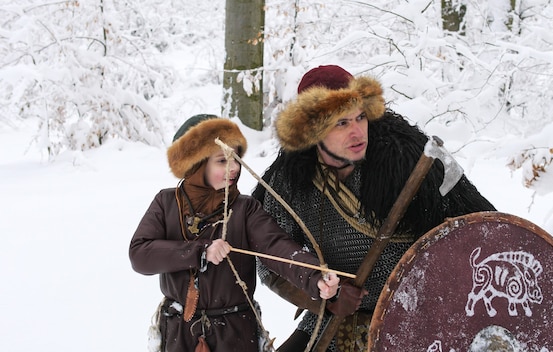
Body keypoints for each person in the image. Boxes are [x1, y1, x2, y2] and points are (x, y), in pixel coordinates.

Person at [253, 65, 497, 351]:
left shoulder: (414, 161)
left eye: (360, 117)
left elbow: (482, 231)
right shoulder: (289, 181)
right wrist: (323, 297)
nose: (357, 132)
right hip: (337, 319)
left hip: (417, 318)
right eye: (341, 123)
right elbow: (271, 263)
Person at [129, 114, 340, 352]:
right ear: (196, 164)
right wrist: (199, 251)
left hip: (236, 333)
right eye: (222, 160)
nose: (234, 168)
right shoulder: (167, 203)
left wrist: (314, 276)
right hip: (179, 332)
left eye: (236, 159)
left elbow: (277, 247)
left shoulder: (245, 208)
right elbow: (140, 254)